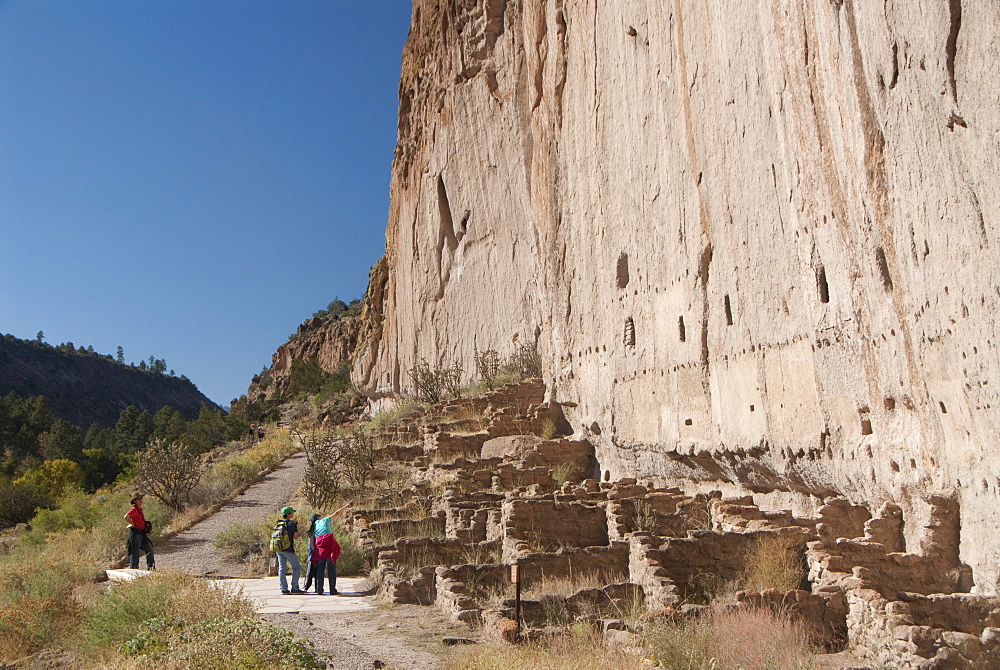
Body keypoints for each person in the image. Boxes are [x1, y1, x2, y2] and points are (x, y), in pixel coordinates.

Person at [312, 501, 352, 595]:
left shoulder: (313, 526)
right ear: (318, 518)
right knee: (331, 569)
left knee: (320, 570)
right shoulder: (324, 520)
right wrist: (346, 506)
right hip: (329, 547)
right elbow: (337, 513)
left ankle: (319, 590)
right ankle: (332, 590)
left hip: (320, 549)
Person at [275, 506, 305, 595]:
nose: (293, 514)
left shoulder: (278, 523)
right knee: (296, 567)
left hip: (279, 548)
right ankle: (295, 587)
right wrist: (296, 528)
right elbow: (295, 536)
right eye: (292, 513)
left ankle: (283, 588)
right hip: (288, 549)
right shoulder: (291, 524)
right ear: (288, 514)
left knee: (282, 569)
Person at [124, 493, 155, 570]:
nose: (141, 500)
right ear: (134, 501)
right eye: (138, 499)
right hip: (135, 533)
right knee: (134, 553)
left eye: (141, 498)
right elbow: (126, 516)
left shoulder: (139, 509)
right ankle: (134, 571)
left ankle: (151, 569)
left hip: (141, 533)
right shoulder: (134, 509)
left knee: (149, 549)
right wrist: (132, 524)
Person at [302, 513, 321, 592]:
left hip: (314, 550)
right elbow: (312, 538)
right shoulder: (315, 527)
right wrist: (313, 549)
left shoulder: (313, 527)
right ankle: (307, 586)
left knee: (314, 569)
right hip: (314, 550)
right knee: (312, 568)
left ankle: (311, 586)